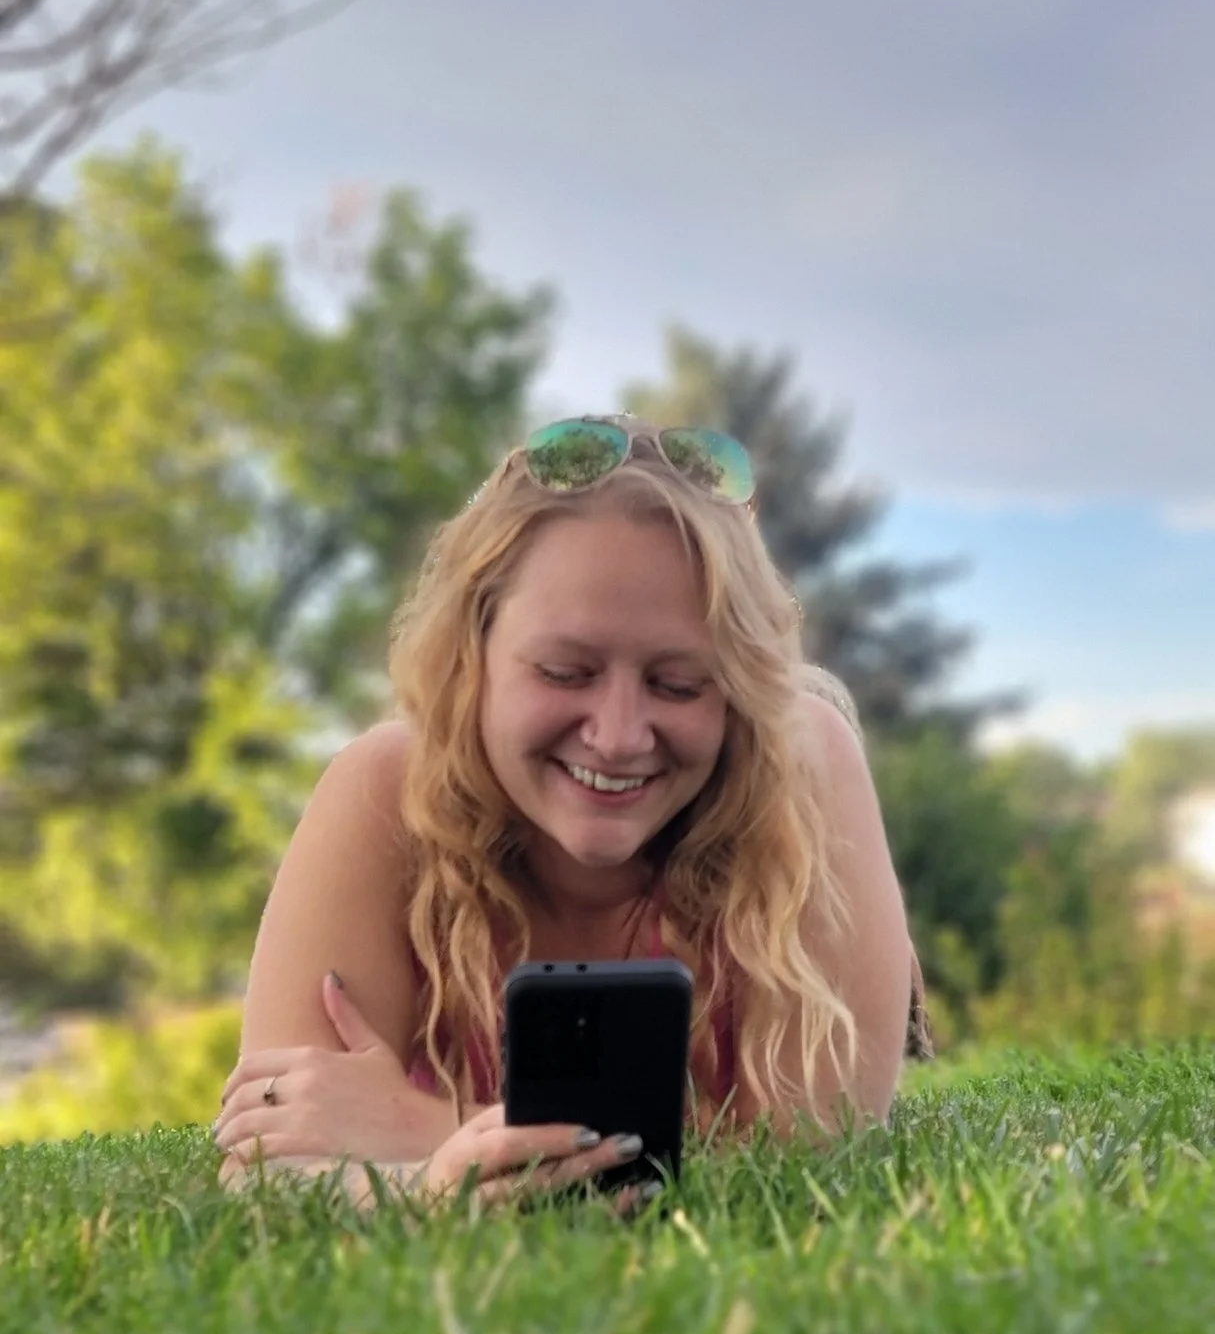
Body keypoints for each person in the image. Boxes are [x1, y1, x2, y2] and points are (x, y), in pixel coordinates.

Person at [212, 414, 934, 1215]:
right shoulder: (382, 795)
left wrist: (416, 1128)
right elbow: (266, 1161)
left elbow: (818, 1166)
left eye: (678, 684)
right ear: (470, 653)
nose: (619, 737)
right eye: (565, 671)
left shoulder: (803, 773)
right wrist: (429, 1192)